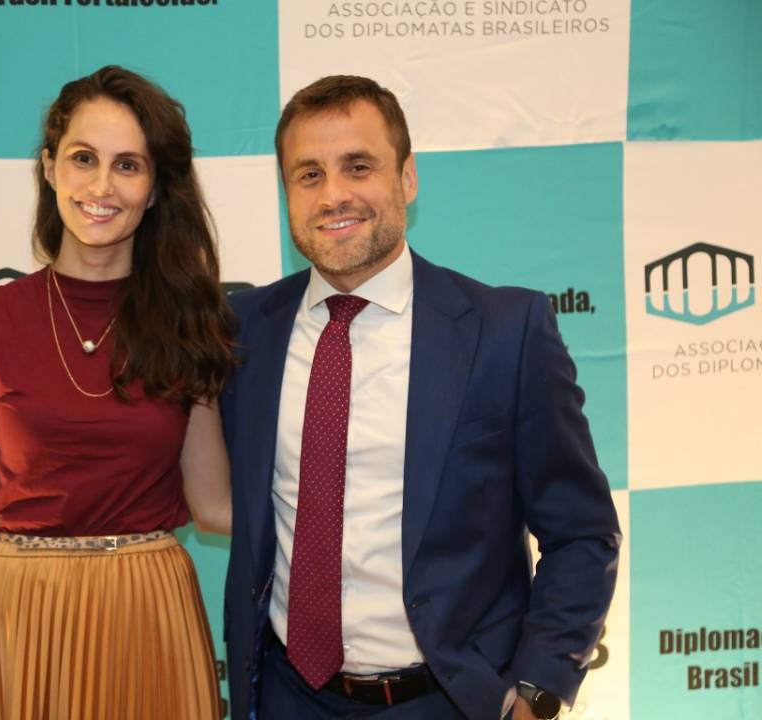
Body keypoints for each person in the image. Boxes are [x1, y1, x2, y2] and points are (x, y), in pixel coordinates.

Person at [219, 76, 621, 719]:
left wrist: (539, 692)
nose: (334, 194)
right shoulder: (242, 331)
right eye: (309, 174)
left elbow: (581, 531)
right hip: (288, 697)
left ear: (407, 178)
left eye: (359, 166)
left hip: (450, 700)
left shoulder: (505, 331)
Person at [0, 65, 233, 720]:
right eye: (84, 158)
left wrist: (348, 514)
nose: (101, 186)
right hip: (17, 612)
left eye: (128, 166)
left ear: (154, 189)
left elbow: (214, 505)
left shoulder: (188, 327)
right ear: (49, 167)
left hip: (148, 612)